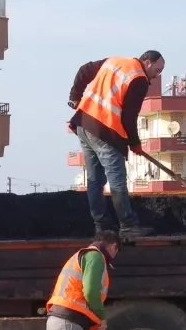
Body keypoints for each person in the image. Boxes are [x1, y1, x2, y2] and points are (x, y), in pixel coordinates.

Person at [67, 51, 166, 240]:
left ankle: (101, 227)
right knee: (117, 180)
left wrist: (75, 97)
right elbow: (129, 117)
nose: (157, 75)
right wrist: (135, 143)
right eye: (157, 69)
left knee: (95, 181)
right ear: (147, 62)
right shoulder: (139, 79)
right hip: (104, 131)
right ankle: (128, 226)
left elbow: (83, 70)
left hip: (83, 124)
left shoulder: (114, 61)